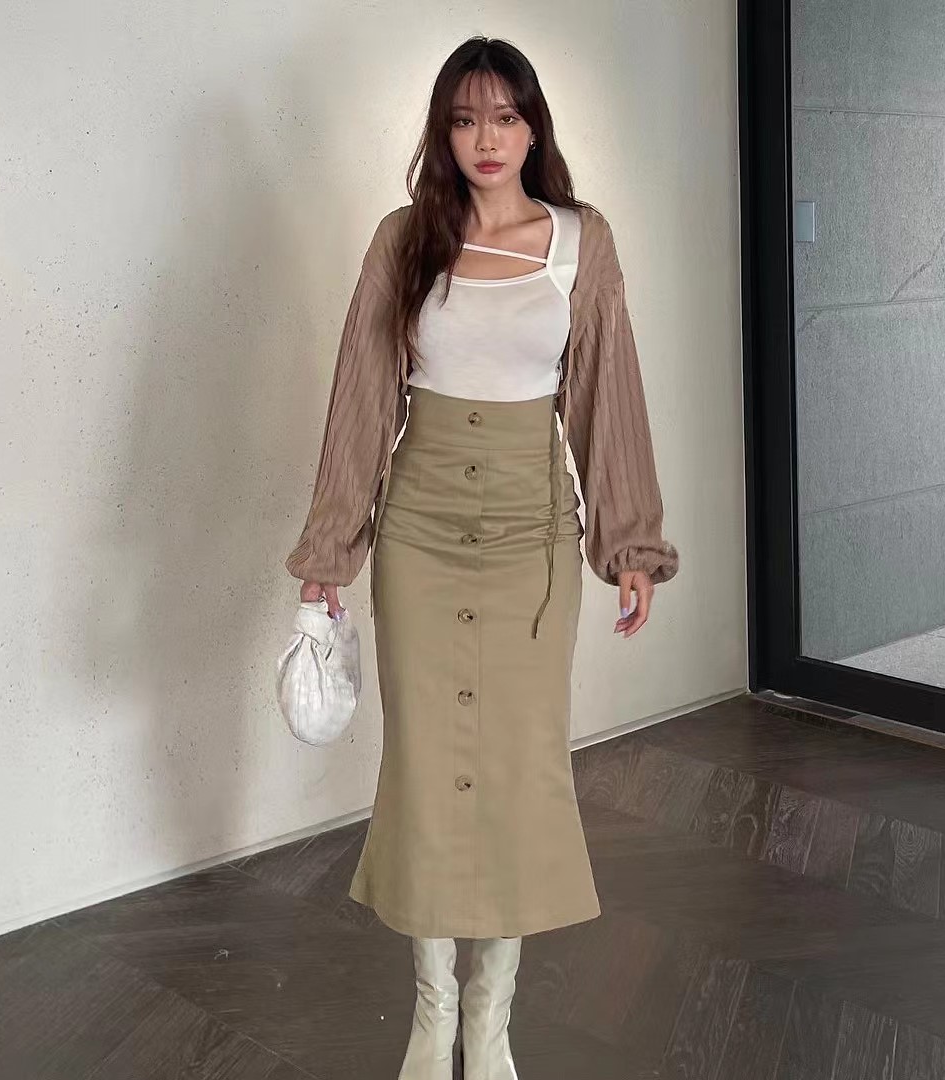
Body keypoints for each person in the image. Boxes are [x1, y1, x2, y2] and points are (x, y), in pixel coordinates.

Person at [284, 35, 678, 1080]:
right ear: (442, 132)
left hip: (528, 538)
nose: (485, 139)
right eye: (464, 120)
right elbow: (362, 400)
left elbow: (607, 395)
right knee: (421, 768)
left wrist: (630, 544)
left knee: (517, 770)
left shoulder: (581, 242)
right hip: (419, 535)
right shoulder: (404, 239)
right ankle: (432, 1015)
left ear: (534, 126)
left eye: (505, 117)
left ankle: (490, 1021)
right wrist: (331, 549)